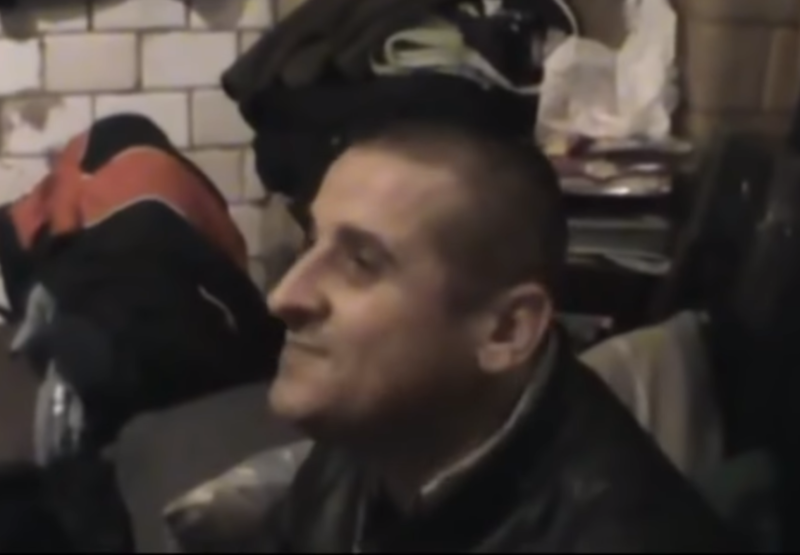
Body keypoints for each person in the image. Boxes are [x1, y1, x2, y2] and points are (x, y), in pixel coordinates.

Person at [168, 121, 739, 552]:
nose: (285, 295)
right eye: (310, 242)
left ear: (506, 330)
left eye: (361, 262)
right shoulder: (383, 423)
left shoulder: (621, 532)